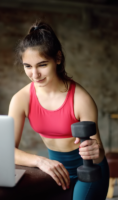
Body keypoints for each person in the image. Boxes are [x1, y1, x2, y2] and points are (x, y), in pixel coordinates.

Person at [8, 21, 109, 200]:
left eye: (42, 64)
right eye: (28, 66)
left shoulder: (80, 99)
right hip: (56, 170)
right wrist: (40, 161)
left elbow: (98, 151)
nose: (35, 74)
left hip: (90, 172)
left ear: (58, 58)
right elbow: (6, 151)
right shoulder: (21, 99)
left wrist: (95, 150)